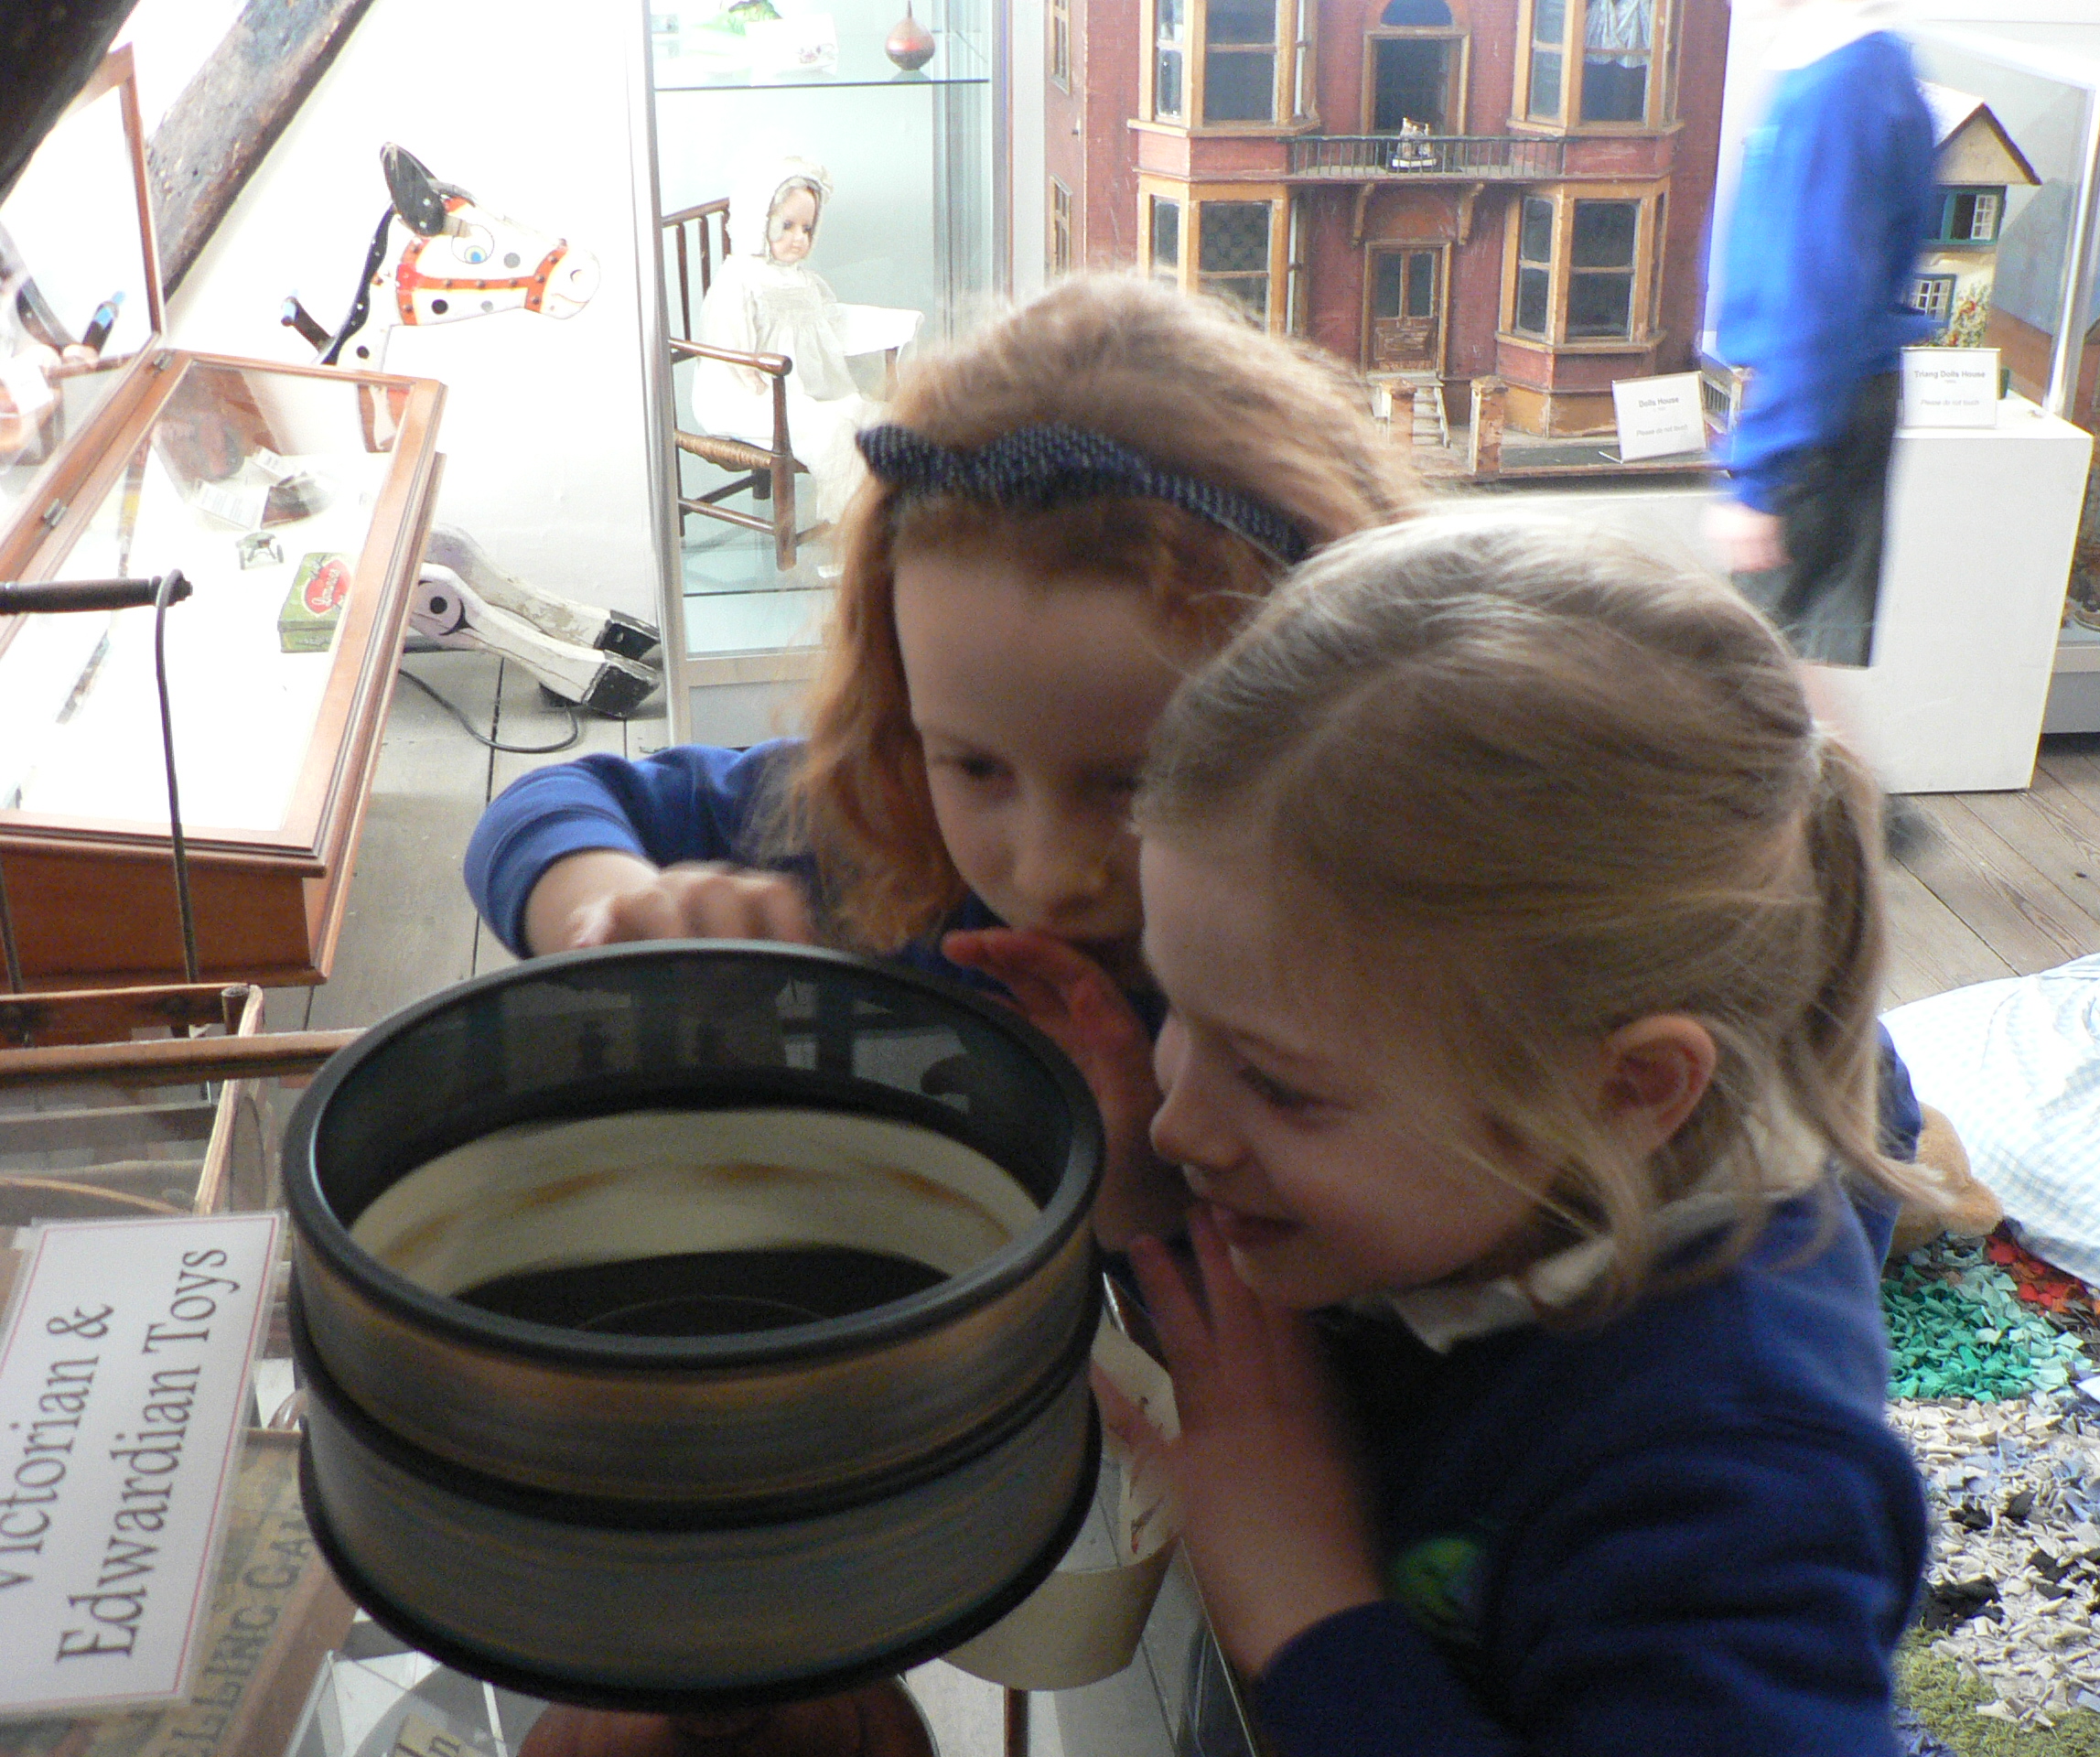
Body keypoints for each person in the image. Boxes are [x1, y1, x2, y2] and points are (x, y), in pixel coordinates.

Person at [1105, 509, 1933, 1754]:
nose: (1180, 1120)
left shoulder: (1736, 1487)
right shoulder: (1467, 1156)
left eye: (1277, 1084)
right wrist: (1138, 1208)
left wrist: (1312, 1617)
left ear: (1629, 1091)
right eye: (1177, 1007)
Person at [464, 273, 1426, 1242]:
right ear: (899, 709)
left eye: (1137, 785)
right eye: (973, 767)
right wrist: (618, 907)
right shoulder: (887, 820)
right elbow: (547, 804)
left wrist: (1141, 1197)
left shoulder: (1380, 988)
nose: (1048, 874)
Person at [1705, 0, 1936, 667]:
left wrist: (1760, 478)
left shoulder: (1837, 88)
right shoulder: (1866, 68)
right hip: (1830, 399)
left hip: (1815, 414)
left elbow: (1818, 291)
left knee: (1753, 667)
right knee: (1789, 662)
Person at [691, 158, 878, 529]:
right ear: (758, 224)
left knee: (871, 417)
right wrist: (752, 376)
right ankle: (850, 526)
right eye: (787, 226)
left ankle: (887, 516)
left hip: (799, 388)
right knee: (833, 431)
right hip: (745, 394)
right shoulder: (739, 280)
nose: (799, 238)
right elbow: (727, 339)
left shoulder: (801, 279)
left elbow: (827, 325)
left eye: (807, 228)